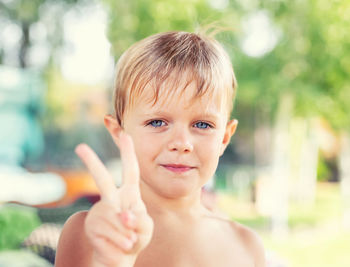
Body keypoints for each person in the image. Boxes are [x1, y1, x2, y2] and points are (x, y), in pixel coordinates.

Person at [55, 31, 267, 267]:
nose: (181, 143)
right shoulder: (90, 234)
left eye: (202, 124)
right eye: (157, 122)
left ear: (224, 138)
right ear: (118, 131)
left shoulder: (246, 246)